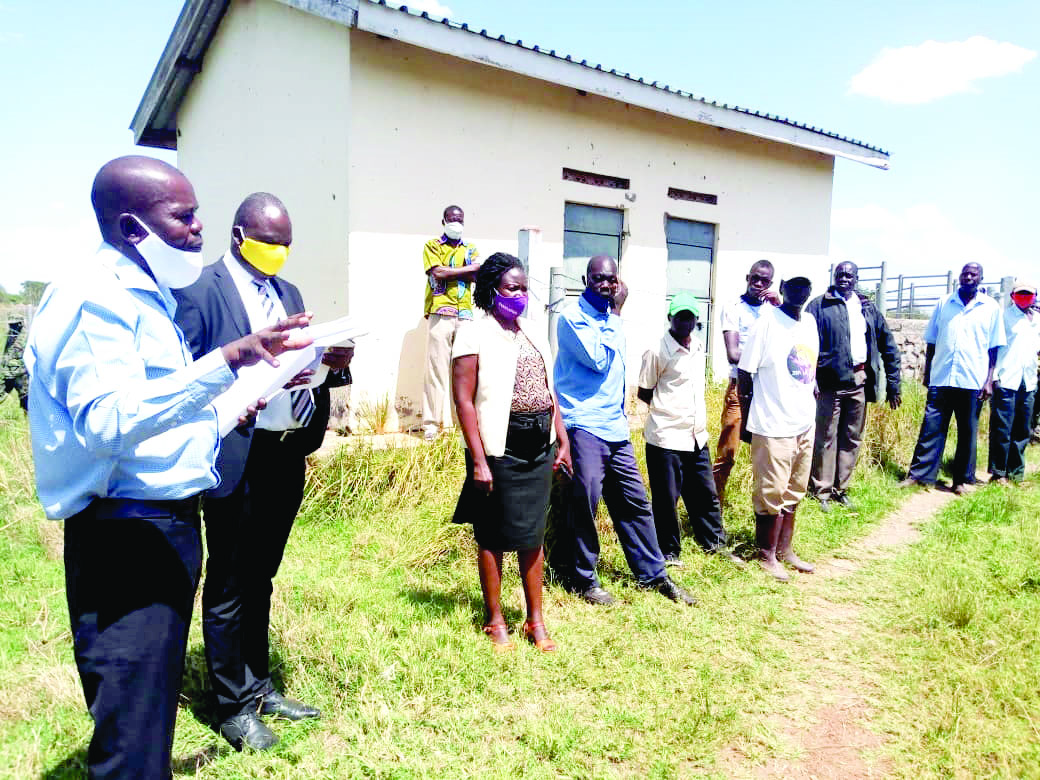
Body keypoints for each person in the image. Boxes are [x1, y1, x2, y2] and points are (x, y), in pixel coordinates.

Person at [24, 157, 312, 779]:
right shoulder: (93, 299)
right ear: (132, 227)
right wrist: (223, 363)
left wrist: (233, 399)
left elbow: (160, 419)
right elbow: (108, 421)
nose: (197, 228)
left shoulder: (144, 296)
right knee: (132, 736)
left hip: (163, 526)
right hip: (125, 536)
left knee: (147, 719)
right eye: (182, 216)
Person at [173, 193, 353, 751]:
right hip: (234, 450)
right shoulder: (202, 291)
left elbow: (294, 361)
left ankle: (258, 685)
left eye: (286, 245)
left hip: (283, 449)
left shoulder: (288, 292)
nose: (279, 253)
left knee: (261, 575)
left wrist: (325, 366)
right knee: (228, 580)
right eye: (269, 243)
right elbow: (186, 373)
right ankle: (230, 705)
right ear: (238, 236)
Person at [553, 255, 696, 606]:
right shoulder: (572, 319)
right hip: (583, 424)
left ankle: (654, 574)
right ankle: (582, 579)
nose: (606, 284)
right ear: (586, 279)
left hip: (614, 427)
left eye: (612, 279)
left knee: (635, 502)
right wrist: (615, 314)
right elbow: (598, 360)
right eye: (599, 278)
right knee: (585, 503)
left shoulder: (607, 319)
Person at [451, 253, 572, 652]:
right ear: (491, 290)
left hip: (538, 446)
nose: (519, 295)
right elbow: (464, 399)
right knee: (492, 533)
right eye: (511, 288)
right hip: (498, 447)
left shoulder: (534, 330)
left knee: (532, 533)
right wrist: (480, 459)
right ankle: (495, 617)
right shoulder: (473, 332)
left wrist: (562, 437)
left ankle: (535, 620)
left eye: (523, 288)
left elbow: (549, 389)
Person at [637, 291, 743, 567]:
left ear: (696, 320)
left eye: (690, 317)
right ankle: (669, 552)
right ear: (670, 318)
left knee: (705, 495)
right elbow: (645, 392)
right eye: (679, 316)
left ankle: (714, 544)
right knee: (666, 499)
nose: (684, 322)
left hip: (696, 436)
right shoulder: (657, 350)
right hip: (666, 437)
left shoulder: (697, 346)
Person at [738, 276, 819, 581]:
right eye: (794, 286)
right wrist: (747, 418)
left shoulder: (810, 322)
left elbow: (809, 365)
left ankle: (785, 550)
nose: (800, 292)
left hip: (803, 422)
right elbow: (745, 374)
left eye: (805, 287)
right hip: (773, 423)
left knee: (795, 489)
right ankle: (765, 555)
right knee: (771, 492)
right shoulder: (766, 322)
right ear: (783, 288)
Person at [901, 263, 1006, 493]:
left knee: (967, 432)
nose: (968, 277)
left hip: (973, 380)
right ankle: (920, 475)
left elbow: (994, 347)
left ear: (981, 279)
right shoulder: (944, 303)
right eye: (965, 273)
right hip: (942, 377)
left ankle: (962, 480)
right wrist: (927, 373)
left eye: (973, 274)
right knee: (931, 427)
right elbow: (931, 340)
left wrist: (989, 379)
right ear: (959, 277)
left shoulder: (990, 307)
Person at [805, 262, 901, 511]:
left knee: (851, 437)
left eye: (849, 275)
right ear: (834, 277)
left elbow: (888, 345)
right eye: (840, 274)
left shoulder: (867, 308)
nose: (844, 278)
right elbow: (804, 345)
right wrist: (810, 380)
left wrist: (893, 384)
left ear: (857, 278)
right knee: (826, 436)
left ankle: (841, 488)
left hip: (859, 381)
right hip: (829, 384)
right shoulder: (818, 306)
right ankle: (821, 491)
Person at [712, 260, 780, 505]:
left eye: (765, 281)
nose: (759, 284)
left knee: (767, 452)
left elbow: (786, 344)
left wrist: (780, 305)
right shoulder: (734, 307)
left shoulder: (773, 311)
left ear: (771, 283)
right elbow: (733, 353)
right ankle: (713, 507)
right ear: (747, 278)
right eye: (755, 279)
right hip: (740, 387)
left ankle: (764, 507)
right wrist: (765, 358)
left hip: (767, 389)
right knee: (728, 452)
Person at [422, 205, 480, 439]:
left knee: (464, 373)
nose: (456, 223)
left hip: (465, 315)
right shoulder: (432, 246)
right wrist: (466, 271)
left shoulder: (470, 248)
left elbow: (478, 273)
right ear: (444, 220)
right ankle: (431, 425)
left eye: (460, 219)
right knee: (435, 371)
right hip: (440, 314)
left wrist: (452, 271)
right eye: (452, 219)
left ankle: (462, 425)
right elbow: (437, 273)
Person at [987, 280, 1040, 483]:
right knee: (1002, 429)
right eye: (1021, 294)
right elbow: (993, 348)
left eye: (1029, 294)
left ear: (1034, 296)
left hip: (1028, 382)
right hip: (1006, 379)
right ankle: (998, 473)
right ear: (1012, 296)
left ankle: (1016, 474)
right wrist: (992, 378)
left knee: (1022, 430)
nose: (1025, 297)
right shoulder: (1004, 317)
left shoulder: (1037, 320)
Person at [0, 316, 28, 411]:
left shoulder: (26, 336)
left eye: (14, 324)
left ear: (20, 324)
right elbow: (7, 351)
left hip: (21, 373)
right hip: (7, 372)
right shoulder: (10, 335)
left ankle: (27, 420)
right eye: (11, 324)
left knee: (25, 397)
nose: (12, 326)